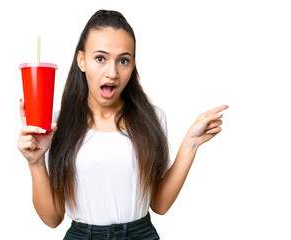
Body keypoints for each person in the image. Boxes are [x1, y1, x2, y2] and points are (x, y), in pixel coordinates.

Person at [17, 9, 229, 240]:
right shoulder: (56, 125)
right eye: (100, 58)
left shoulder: (153, 118)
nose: (112, 72)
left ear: (133, 65)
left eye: (123, 61)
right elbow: (52, 219)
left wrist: (191, 142)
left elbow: (159, 204)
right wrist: (36, 163)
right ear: (82, 60)